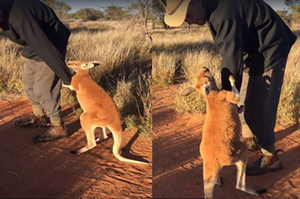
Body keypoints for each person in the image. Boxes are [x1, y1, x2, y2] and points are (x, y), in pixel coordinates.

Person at [159, 0, 297, 175]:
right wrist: (230, 94)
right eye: (183, 19)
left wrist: (224, 97)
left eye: (187, 14)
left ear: (196, 1)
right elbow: (232, 53)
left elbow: (231, 59)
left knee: (260, 105)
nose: (188, 21)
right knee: (244, 98)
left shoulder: (223, 13)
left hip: (270, 48)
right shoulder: (212, 8)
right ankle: (249, 140)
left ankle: (270, 158)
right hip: (252, 51)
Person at [0, 0, 73, 142]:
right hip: (34, 43)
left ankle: (58, 127)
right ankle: (38, 118)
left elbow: (45, 47)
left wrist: (66, 77)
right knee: (28, 83)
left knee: (44, 89)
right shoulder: (5, 9)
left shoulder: (20, 17)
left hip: (51, 43)